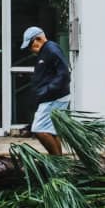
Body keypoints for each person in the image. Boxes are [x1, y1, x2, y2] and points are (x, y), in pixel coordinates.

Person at [20, 26, 70, 155]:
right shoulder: (46, 51)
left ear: (39, 38)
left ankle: (57, 160)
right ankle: (59, 164)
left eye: (31, 45)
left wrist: (47, 90)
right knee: (50, 130)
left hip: (53, 98)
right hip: (52, 97)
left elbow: (64, 74)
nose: (30, 49)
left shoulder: (51, 50)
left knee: (39, 129)